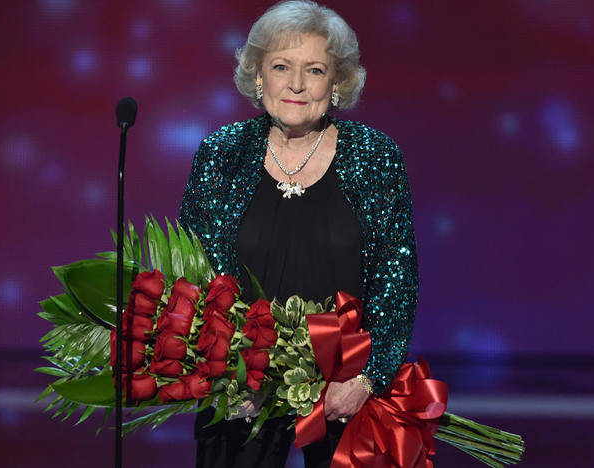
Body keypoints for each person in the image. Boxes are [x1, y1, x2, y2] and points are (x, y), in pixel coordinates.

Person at [178, 1, 418, 467]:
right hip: (241, 391)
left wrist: (367, 379)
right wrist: (223, 374)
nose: (296, 84)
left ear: (337, 82)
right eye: (281, 66)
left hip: (345, 394)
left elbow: (397, 280)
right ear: (258, 76)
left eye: (314, 69)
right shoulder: (221, 155)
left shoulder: (375, 157)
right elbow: (194, 276)